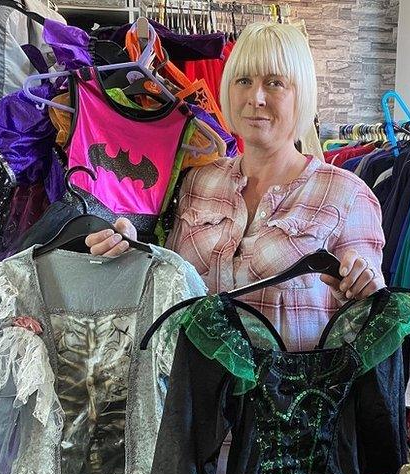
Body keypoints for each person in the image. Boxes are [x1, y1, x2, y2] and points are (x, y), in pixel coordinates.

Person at [86, 22, 385, 352]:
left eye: (274, 83)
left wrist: (362, 290)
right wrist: (129, 250)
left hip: (290, 397)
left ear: (302, 94)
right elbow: (171, 285)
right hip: (196, 393)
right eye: (244, 81)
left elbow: (370, 333)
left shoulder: (346, 195)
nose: (256, 98)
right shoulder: (199, 180)